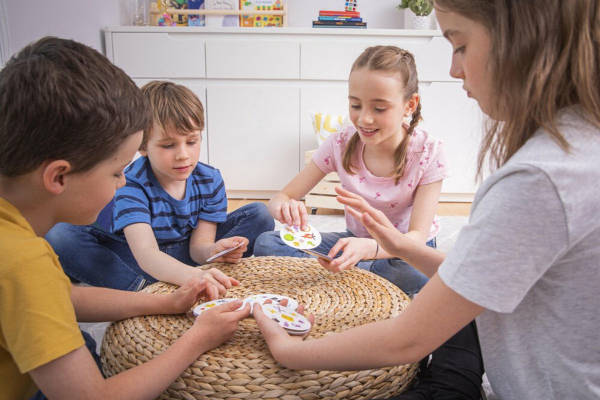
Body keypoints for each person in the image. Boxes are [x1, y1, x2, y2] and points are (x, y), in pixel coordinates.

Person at [253, 0, 600, 399]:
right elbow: (475, 278)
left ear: (520, 41)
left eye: (460, 45)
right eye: (355, 105)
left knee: (436, 329)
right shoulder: (576, 147)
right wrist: (396, 243)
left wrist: (290, 351)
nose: (454, 70)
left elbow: (407, 340)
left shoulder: (537, 178)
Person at [0, 37, 251, 400]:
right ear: (58, 177)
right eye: (117, 172)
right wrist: (198, 339)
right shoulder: (24, 263)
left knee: (82, 340)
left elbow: (62, 297)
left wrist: (165, 302)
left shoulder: (18, 245)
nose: (121, 184)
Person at [254, 45, 449, 296]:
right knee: (267, 242)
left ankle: (344, 277)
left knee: (412, 272)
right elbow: (281, 198)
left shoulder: (429, 152)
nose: (364, 119)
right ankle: (359, 279)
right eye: (356, 105)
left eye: (379, 108)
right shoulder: (341, 142)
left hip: (402, 251)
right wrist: (285, 207)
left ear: (410, 105)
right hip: (352, 242)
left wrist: (371, 249)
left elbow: (417, 238)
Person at [46, 81, 274, 292]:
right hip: (138, 256)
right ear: (142, 146)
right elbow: (146, 254)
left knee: (259, 214)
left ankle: (190, 276)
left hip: (184, 252)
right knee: (60, 236)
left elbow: (198, 247)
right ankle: (142, 288)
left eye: (192, 142)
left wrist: (213, 251)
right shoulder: (131, 184)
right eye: (168, 145)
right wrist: (192, 277)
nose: (183, 155)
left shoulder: (209, 179)